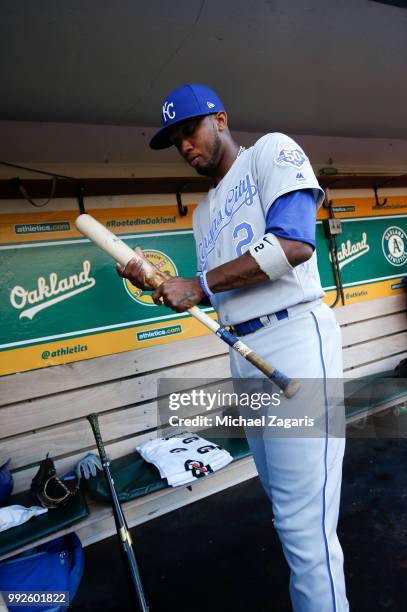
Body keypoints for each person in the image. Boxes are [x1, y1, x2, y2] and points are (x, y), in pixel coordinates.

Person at [117, 83, 349, 612]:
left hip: (293, 339)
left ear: (219, 119)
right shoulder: (203, 213)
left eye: (190, 130)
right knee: (284, 509)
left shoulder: (270, 150)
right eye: (175, 140)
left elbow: (293, 243)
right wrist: (158, 282)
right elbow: (211, 290)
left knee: (304, 526)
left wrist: (197, 284)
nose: (185, 147)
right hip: (244, 352)